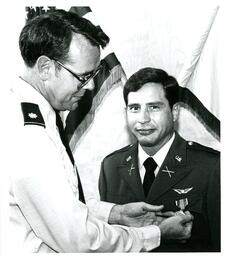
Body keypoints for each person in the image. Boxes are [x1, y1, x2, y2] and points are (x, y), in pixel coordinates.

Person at [8, 10, 193, 253]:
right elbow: (79, 242)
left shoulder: (28, 112)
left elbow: (51, 209)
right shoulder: (30, 136)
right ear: (45, 67)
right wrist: (155, 234)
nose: (92, 86)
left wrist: (115, 213)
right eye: (84, 76)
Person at [99, 67, 220, 252]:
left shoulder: (211, 166)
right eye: (134, 108)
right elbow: (109, 242)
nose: (143, 119)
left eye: (154, 107)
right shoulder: (111, 166)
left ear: (175, 111)